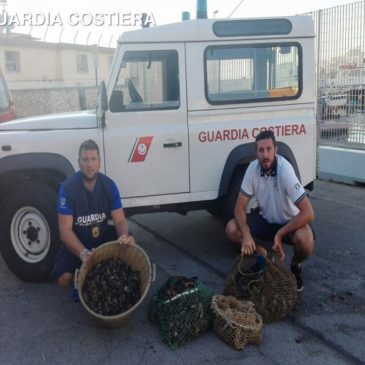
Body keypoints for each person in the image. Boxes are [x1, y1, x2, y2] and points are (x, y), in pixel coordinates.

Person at [225, 130, 314, 292]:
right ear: (256, 153)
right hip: (265, 220)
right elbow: (238, 207)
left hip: (289, 224)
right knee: (232, 229)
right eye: (261, 150)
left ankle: (295, 265)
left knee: (306, 240)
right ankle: (264, 257)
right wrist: (245, 234)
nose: (265, 154)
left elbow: (308, 213)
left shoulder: (285, 170)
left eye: (269, 149)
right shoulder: (252, 169)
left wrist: (280, 234)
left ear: (275, 150)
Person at [53, 139, 135, 287]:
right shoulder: (67, 188)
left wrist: (123, 235)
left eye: (93, 159)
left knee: (131, 242)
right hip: (78, 241)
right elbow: (64, 230)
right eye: (85, 159)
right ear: (79, 162)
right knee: (63, 279)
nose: (89, 164)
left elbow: (120, 221)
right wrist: (83, 253)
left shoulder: (109, 185)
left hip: (102, 238)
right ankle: (82, 280)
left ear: (99, 162)